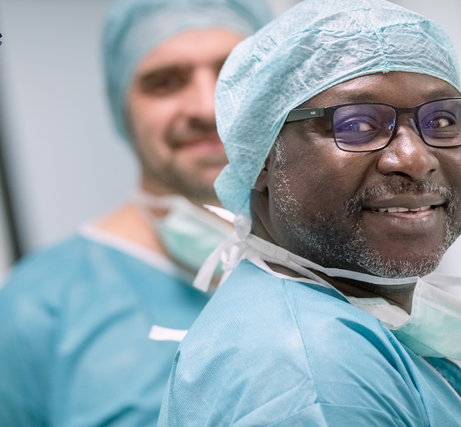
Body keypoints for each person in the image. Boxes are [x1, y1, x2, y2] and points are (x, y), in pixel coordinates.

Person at [159, 0, 461, 425]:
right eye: (356, 124)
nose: (415, 158)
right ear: (262, 157)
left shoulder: (342, 326)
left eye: (443, 120)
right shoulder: (311, 374)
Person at [0, 0, 270, 425]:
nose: (205, 107)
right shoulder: (37, 307)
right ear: (121, 107)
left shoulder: (350, 265)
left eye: (233, 72)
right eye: (165, 82)